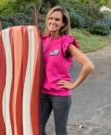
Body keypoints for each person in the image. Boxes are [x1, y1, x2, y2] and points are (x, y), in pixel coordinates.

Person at [40, 6, 94, 135]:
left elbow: (88, 65)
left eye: (57, 19)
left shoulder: (66, 42)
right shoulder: (42, 41)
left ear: (63, 23)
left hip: (60, 96)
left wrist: (73, 84)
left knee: (60, 131)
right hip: (43, 93)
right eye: (51, 18)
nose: (53, 21)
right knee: (37, 129)